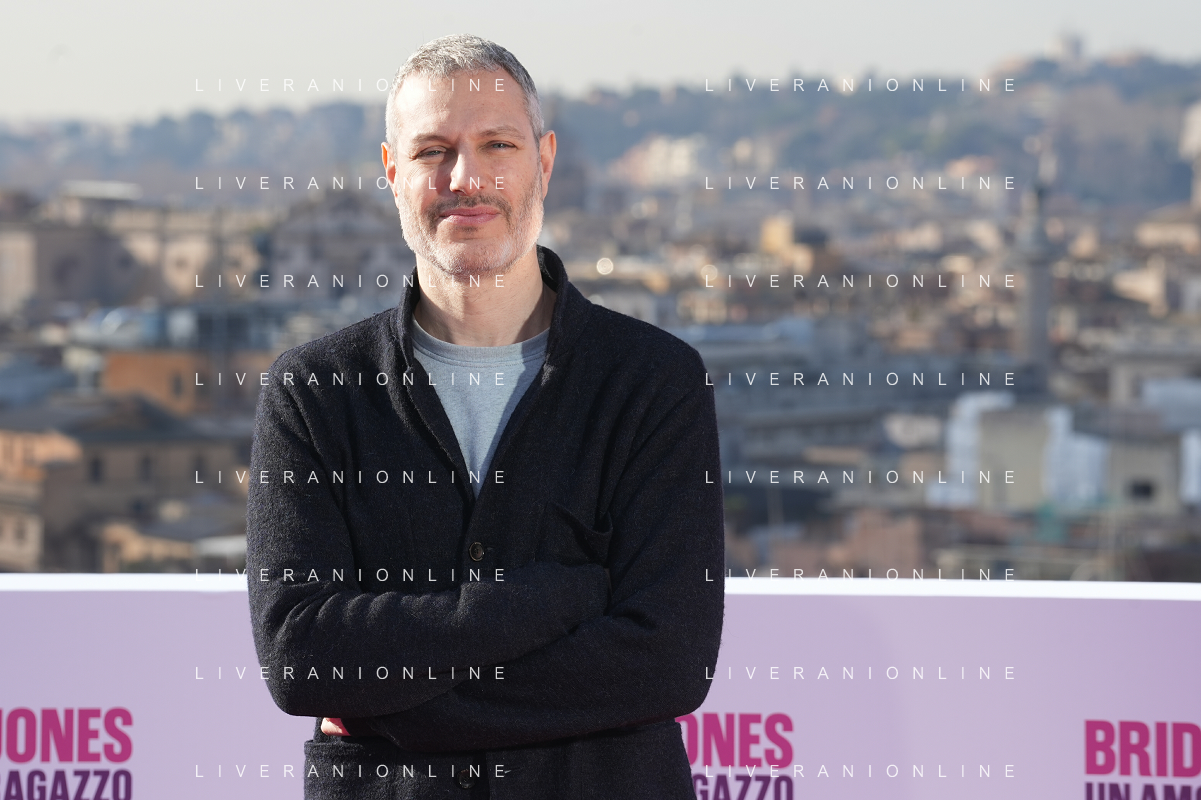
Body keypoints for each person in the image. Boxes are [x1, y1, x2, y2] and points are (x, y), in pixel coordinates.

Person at [246, 33, 724, 799]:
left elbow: (668, 661)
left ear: (544, 160)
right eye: (433, 150)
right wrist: (556, 598)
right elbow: (303, 657)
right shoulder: (313, 392)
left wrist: (394, 710)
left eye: (496, 144)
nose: (465, 179)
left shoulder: (652, 382)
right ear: (392, 172)